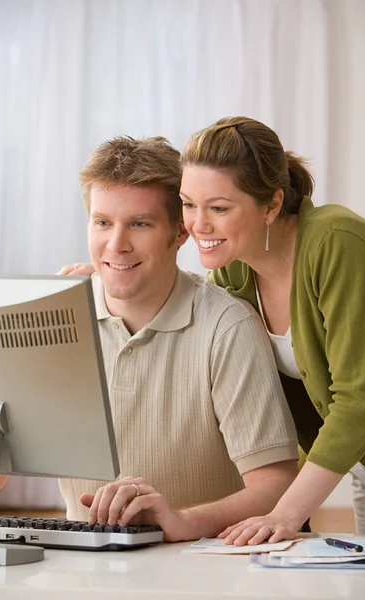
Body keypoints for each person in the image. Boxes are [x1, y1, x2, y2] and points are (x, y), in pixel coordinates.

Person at [53, 135, 300, 542]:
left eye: (140, 224)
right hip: (80, 567)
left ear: (181, 231)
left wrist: (182, 521)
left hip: (203, 565)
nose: (116, 245)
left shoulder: (227, 327)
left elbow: (276, 481)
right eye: (102, 222)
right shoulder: (53, 321)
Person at [177, 115, 365, 544]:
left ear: (272, 205)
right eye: (189, 204)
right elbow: (189, 310)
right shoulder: (235, 269)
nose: (198, 226)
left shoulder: (336, 242)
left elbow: (359, 398)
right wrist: (113, 278)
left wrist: (283, 515)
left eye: (219, 208)